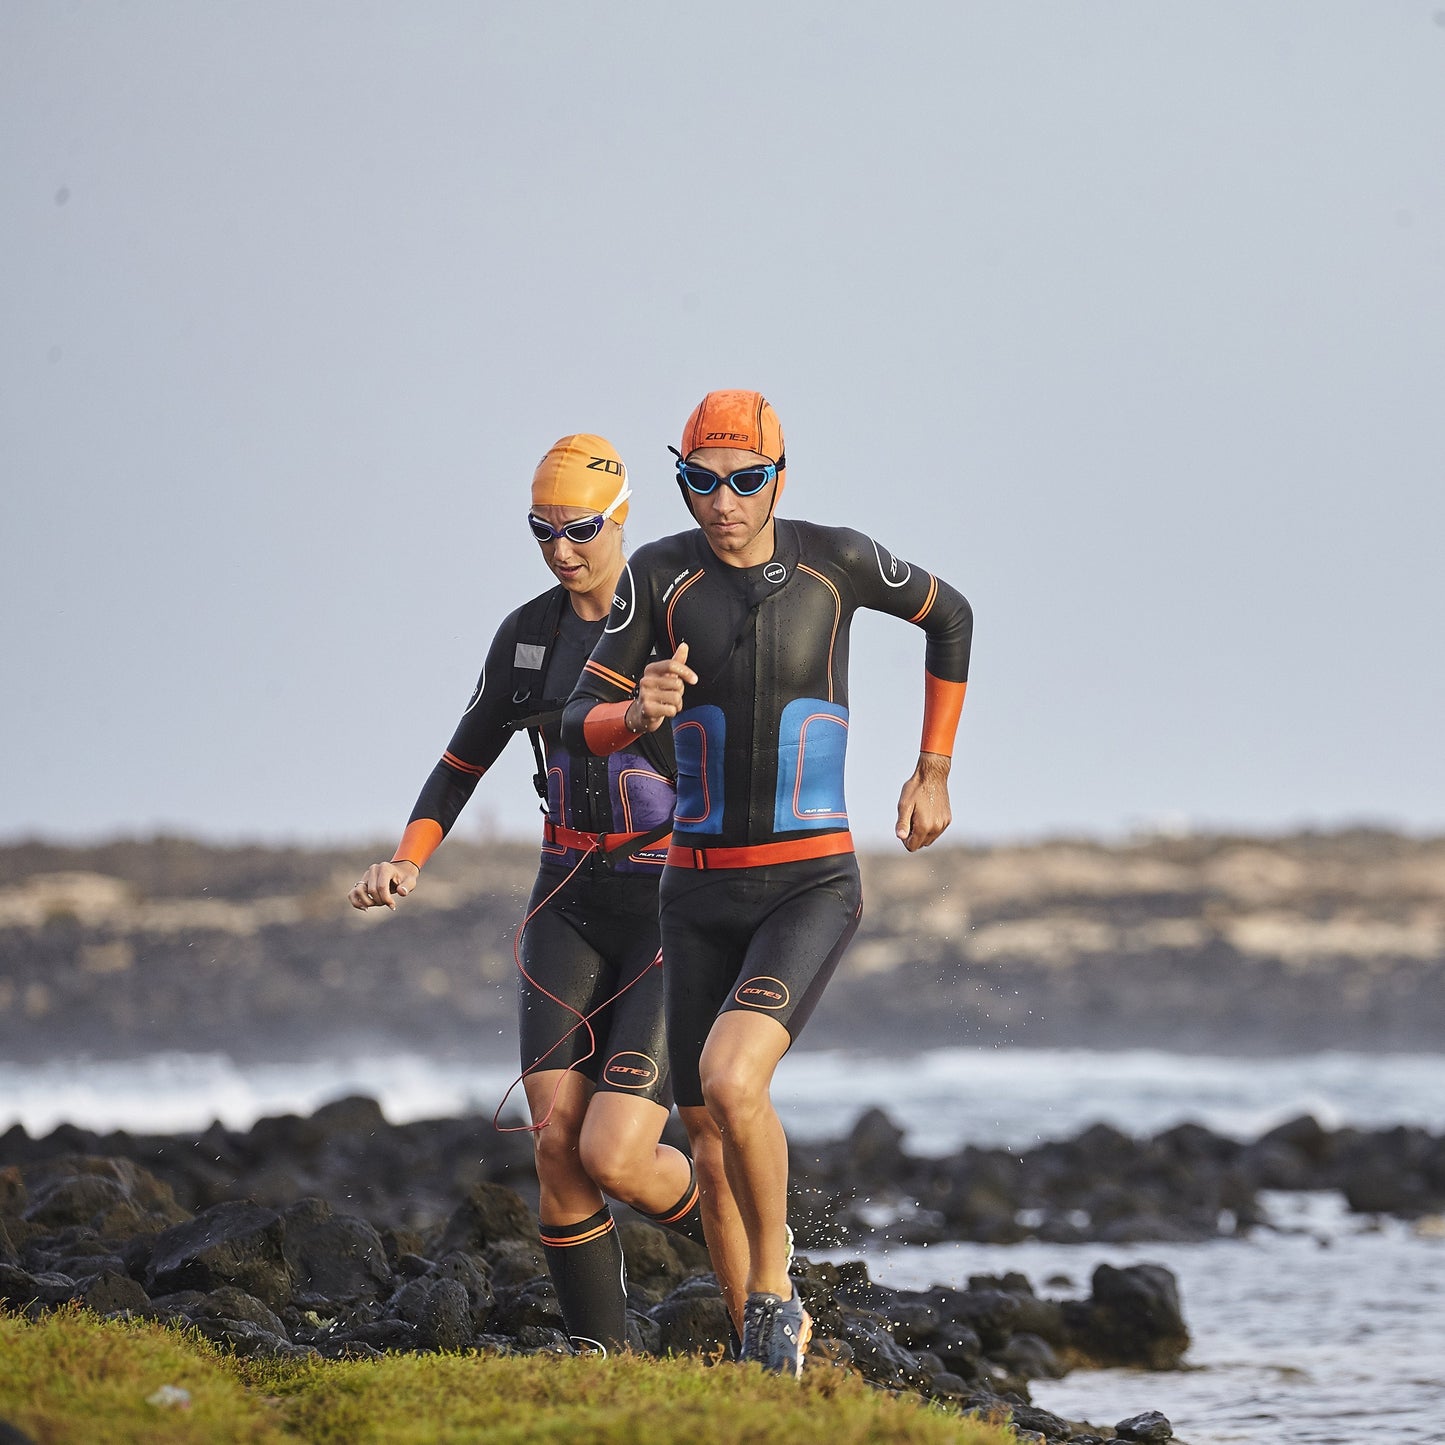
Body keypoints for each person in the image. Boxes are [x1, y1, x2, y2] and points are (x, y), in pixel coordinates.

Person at [562, 391, 972, 1376]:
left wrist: (932, 768)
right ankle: (763, 1353)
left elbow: (949, 615)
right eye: (700, 480)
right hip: (693, 891)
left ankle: (778, 1291)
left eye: (744, 479)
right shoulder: (656, 575)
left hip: (807, 882)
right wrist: (633, 710)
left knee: (730, 1077)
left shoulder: (835, 561)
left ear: (777, 477)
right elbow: (582, 712)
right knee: (701, 1131)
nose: (722, 500)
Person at [349, 434, 706, 1356]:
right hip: (569, 899)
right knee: (554, 1145)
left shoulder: (678, 623)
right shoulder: (527, 635)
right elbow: (464, 757)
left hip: (670, 903)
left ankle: (749, 1237)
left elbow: (735, 773)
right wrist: (409, 858)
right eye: (542, 530)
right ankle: (606, 1363)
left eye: (579, 529)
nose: (561, 549)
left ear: (621, 518)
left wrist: (657, 718)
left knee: (618, 1154)